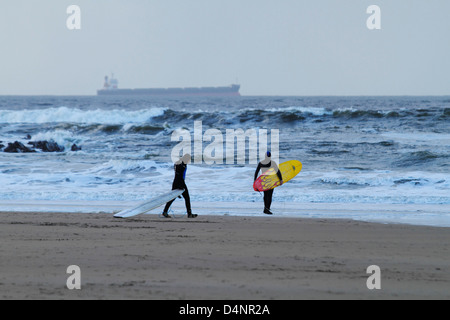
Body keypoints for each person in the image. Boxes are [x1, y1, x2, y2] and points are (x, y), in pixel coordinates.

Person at [162, 154, 198, 218]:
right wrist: (180, 186)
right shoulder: (181, 164)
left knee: (172, 198)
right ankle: (189, 214)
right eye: (188, 160)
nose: (188, 161)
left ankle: (165, 211)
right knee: (187, 198)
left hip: (176, 182)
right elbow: (179, 175)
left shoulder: (179, 163)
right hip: (180, 182)